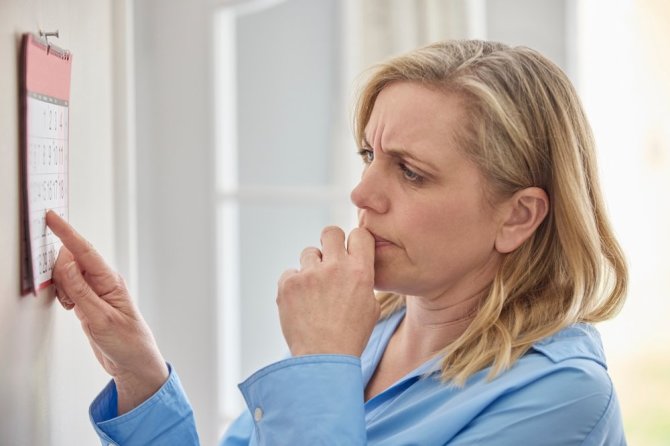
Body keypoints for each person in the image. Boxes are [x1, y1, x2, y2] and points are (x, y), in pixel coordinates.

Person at [47, 40, 628, 445]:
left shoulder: (563, 398)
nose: (362, 193)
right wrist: (140, 376)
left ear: (517, 216)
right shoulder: (369, 328)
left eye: (412, 173)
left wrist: (323, 365)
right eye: (369, 156)